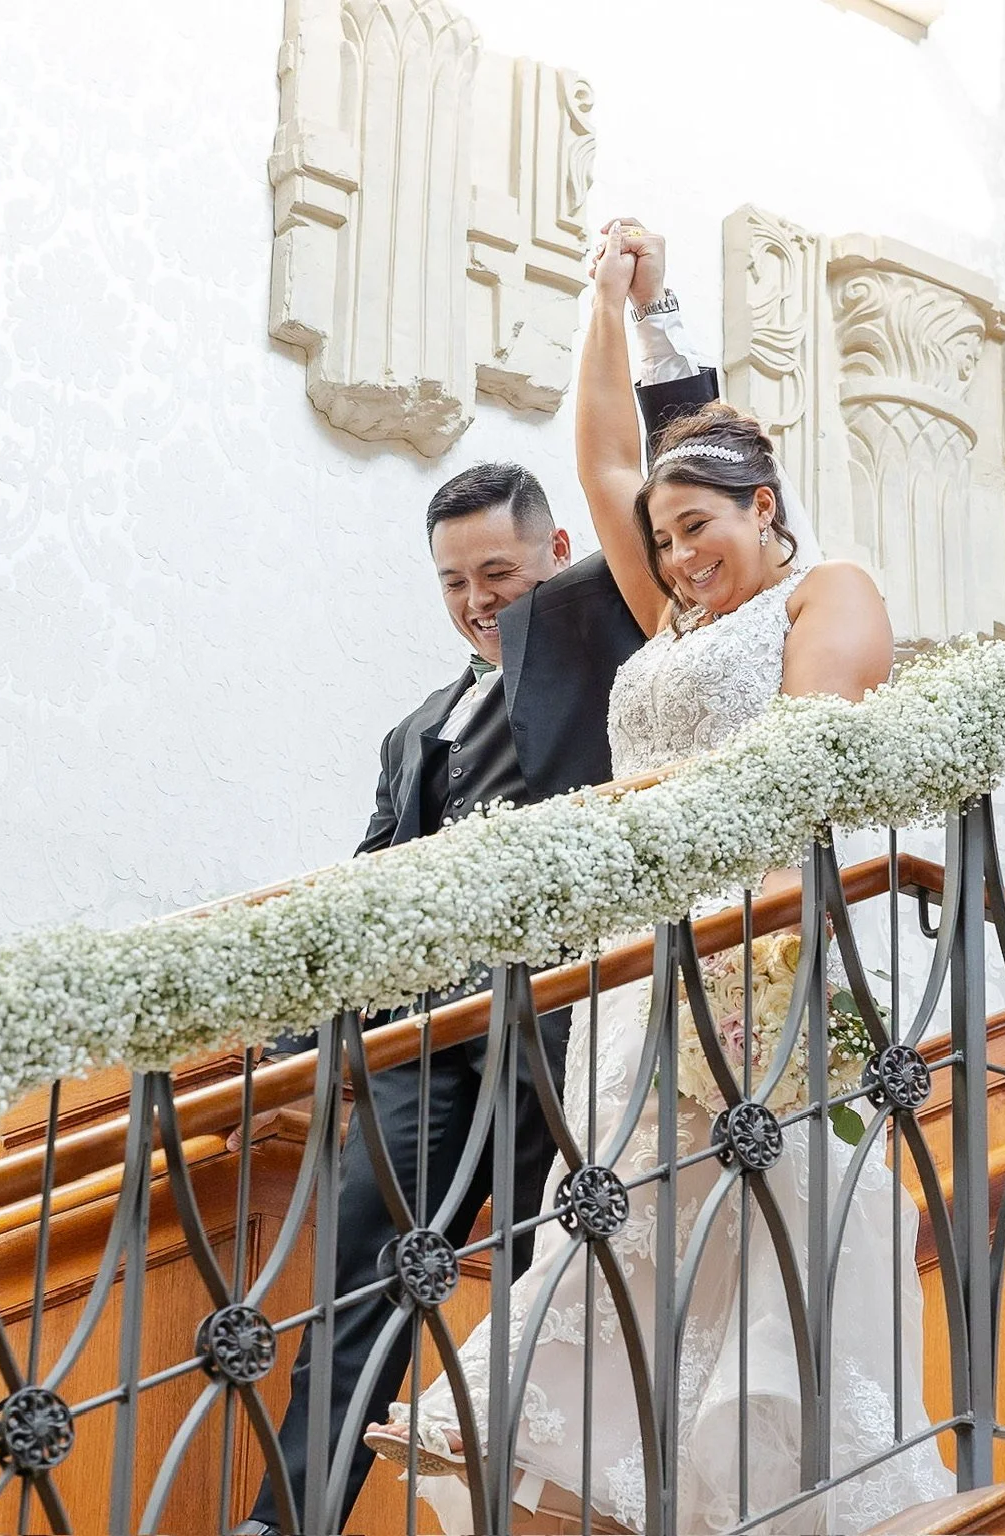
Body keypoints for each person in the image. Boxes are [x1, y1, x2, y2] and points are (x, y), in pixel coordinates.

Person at [363, 220, 953, 1534]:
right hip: (637, 978)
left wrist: (627, 823)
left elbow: (796, 770)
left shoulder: (828, 595)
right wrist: (611, 302)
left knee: (755, 1241)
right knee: (631, 1241)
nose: (678, 558)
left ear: (765, 508)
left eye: (700, 530)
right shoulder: (683, 614)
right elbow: (606, 456)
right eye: (663, 538)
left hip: (767, 949)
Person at [244, 232, 719, 1536]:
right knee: (360, 1281)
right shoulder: (416, 730)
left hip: (572, 1018)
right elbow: (368, 889)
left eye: (497, 575)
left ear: (553, 551)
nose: (476, 604)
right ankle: (291, 1522)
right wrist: (285, 1035)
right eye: (454, 585)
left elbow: (680, 467)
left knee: (553, 1291)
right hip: (429, 1044)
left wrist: (649, 314)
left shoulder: (594, 620)